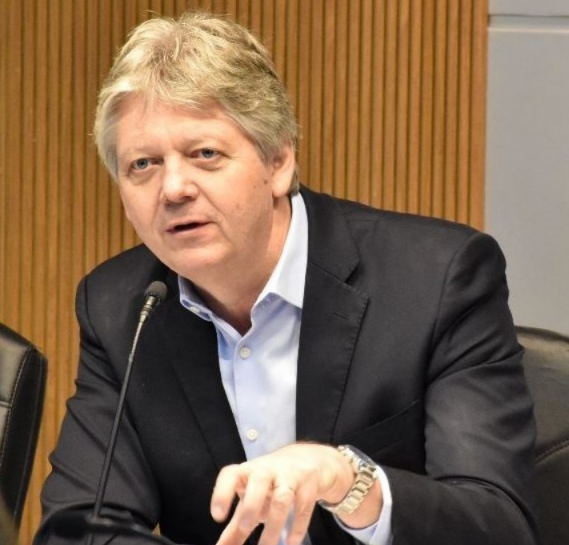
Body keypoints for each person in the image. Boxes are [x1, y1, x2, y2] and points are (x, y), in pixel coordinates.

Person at [36, 11, 538, 545]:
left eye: (205, 154)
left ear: (278, 162)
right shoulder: (122, 307)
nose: (174, 188)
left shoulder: (436, 280)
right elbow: (79, 530)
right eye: (143, 165)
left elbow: (499, 525)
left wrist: (349, 482)